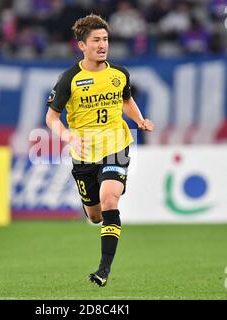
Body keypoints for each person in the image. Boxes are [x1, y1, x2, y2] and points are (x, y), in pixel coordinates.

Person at [45, 14, 154, 287]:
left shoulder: (119, 74)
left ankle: (103, 270)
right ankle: (92, 211)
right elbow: (51, 118)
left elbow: (126, 101)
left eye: (105, 39)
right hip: (83, 157)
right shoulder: (69, 79)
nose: (102, 44)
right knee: (95, 216)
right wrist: (66, 134)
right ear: (82, 45)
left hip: (116, 147)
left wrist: (139, 120)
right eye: (96, 40)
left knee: (109, 200)